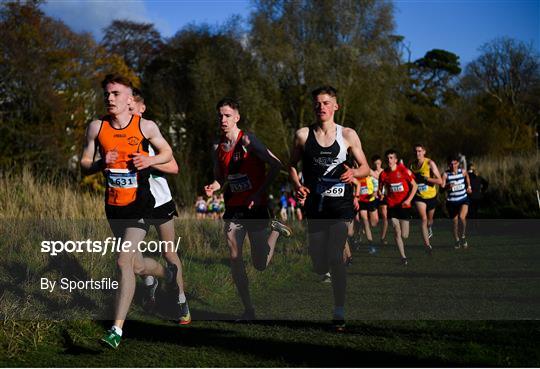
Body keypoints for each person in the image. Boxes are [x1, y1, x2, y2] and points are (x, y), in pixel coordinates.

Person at [80, 74, 174, 349]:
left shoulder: (145, 126)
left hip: (140, 206)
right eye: (107, 94)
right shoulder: (96, 127)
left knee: (122, 261)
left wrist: (150, 159)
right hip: (114, 207)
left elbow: (167, 153)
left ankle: (116, 330)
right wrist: (99, 163)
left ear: (129, 99)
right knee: (135, 264)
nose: (109, 98)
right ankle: (165, 275)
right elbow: (85, 162)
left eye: (116, 94)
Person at [288, 86, 369, 331]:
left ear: (336, 106)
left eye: (326, 103)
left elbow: (365, 167)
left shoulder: (348, 135)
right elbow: (291, 165)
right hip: (316, 205)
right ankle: (328, 272)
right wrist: (297, 185)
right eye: (317, 104)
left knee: (335, 256)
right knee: (319, 263)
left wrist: (354, 172)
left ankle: (339, 309)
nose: (321, 107)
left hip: (341, 205)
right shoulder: (303, 135)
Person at [204, 97, 292, 321]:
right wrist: (213, 187)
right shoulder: (217, 146)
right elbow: (220, 178)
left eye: (227, 115)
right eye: (220, 116)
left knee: (259, 263)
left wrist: (258, 192)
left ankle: (275, 231)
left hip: (256, 206)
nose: (222, 120)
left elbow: (276, 164)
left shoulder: (249, 141)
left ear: (237, 117)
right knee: (235, 257)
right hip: (234, 207)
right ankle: (248, 309)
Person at [129, 89, 190, 325]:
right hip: (133, 204)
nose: (128, 108)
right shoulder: (118, 133)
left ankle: (181, 300)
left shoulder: (149, 131)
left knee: (168, 252)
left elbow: (174, 167)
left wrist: (149, 161)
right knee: (132, 259)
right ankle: (151, 281)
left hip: (160, 201)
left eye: (132, 104)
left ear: (142, 108)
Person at [378, 149, 418, 265]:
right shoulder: (383, 174)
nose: (389, 160)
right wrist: (381, 194)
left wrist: (408, 200)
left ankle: (403, 253)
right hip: (392, 206)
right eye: (387, 158)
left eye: (391, 158)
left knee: (405, 235)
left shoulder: (403, 170)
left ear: (395, 159)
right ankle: (403, 257)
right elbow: (380, 189)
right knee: (396, 230)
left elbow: (414, 186)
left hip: (404, 205)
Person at [410, 144, 442, 253]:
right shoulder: (412, 166)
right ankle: (427, 245)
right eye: (415, 151)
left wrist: (425, 178)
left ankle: (429, 228)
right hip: (419, 197)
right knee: (423, 219)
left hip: (431, 196)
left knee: (429, 221)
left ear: (424, 152)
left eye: (419, 151)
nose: (417, 153)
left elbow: (440, 181)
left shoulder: (429, 163)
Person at [442, 155, 472, 249]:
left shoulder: (462, 171)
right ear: (448, 165)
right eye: (451, 164)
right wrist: (447, 186)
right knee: (454, 222)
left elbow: (467, 176)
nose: (453, 165)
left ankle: (463, 236)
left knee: (462, 217)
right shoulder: (445, 175)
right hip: (451, 202)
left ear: (458, 163)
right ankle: (457, 240)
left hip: (463, 199)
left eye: (455, 163)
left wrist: (469, 186)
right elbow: (441, 189)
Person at [355, 171, 379, 254]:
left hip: (370, 200)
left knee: (374, 223)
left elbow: (376, 179)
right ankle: (371, 245)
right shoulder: (355, 172)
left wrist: (375, 191)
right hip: (361, 201)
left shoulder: (367, 170)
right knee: (365, 222)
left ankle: (361, 226)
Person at [371, 155, 388, 245]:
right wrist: (373, 192)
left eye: (378, 163)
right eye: (375, 164)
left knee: (385, 217)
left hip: (383, 197)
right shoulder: (371, 173)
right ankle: (362, 230)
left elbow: (388, 185)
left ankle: (383, 238)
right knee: (374, 222)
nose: (377, 165)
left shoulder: (385, 172)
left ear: (381, 163)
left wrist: (383, 193)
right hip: (373, 198)